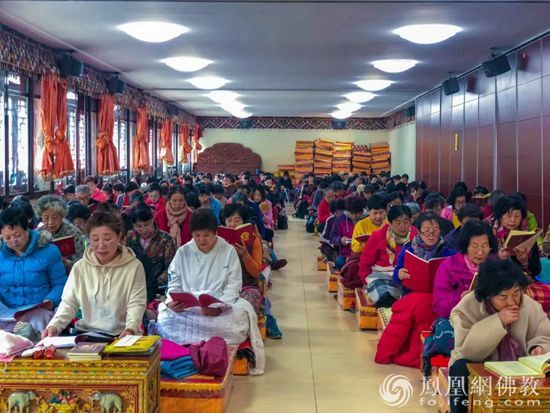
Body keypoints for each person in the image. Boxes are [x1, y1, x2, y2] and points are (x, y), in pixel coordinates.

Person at [157, 209, 265, 375]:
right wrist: (174, 300)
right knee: (164, 316)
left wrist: (219, 307)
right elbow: (174, 282)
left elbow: (234, 285)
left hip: (221, 305)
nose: (201, 240)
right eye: (197, 235)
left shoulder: (228, 250)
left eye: (206, 235)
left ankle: (193, 341)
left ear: (215, 233)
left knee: (239, 318)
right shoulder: (183, 252)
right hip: (189, 308)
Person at [448, 259, 550, 413]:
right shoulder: (466, 308)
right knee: (460, 369)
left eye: (516, 293)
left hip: (519, 367)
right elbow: (466, 351)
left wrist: (538, 347)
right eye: (503, 297)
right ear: (489, 295)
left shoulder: (528, 305)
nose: (511, 302)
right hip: (481, 366)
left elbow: (543, 334)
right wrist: (498, 321)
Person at [43, 211, 147, 338]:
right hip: (87, 334)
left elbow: (136, 303)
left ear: (119, 236)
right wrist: (54, 325)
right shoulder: (80, 267)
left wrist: (130, 329)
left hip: (123, 334)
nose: (101, 245)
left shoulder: (134, 266)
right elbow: (69, 302)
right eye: (95, 239)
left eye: (108, 238)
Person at [0, 208, 67, 333]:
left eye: (18, 235)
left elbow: (60, 284)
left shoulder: (49, 251)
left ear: (27, 230)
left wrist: (51, 300)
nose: (13, 241)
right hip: (6, 312)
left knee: (41, 321)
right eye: (7, 238)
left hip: (37, 310)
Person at [433, 221, 498, 319]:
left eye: (485, 246)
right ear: (465, 246)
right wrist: (459, 298)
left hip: (490, 317)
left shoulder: (496, 264)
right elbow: (439, 306)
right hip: (458, 319)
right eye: (475, 247)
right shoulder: (449, 266)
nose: (480, 252)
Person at [358, 205, 417, 306]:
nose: (402, 226)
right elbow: (365, 262)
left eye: (406, 222)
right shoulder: (378, 236)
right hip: (382, 276)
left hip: (406, 276)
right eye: (398, 223)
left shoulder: (416, 235)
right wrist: (366, 281)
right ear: (389, 223)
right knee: (381, 292)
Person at [393, 212, 456, 290]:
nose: (431, 234)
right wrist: (399, 274)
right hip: (413, 292)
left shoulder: (449, 250)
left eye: (435, 230)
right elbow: (395, 277)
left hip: (440, 291)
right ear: (419, 231)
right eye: (427, 230)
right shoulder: (408, 248)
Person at [127, 207, 176, 288]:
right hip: (133, 285)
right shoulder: (129, 239)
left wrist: (152, 284)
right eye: (139, 226)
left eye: (147, 224)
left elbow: (171, 268)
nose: (144, 229)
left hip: (158, 286)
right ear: (134, 226)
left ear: (152, 221)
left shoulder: (165, 239)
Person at [36, 195, 86, 273]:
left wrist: (67, 263)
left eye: (55, 217)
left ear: (62, 216)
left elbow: (81, 262)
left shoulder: (73, 233)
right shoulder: (37, 234)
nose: (50, 222)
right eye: (46, 218)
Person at [330, 196, 366, 268]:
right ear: (347, 211)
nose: (354, 216)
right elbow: (332, 237)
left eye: (357, 213)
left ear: (362, 211)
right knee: (340, 263)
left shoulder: (367, 219)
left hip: (364, 253)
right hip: (346, 253)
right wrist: (340, 239)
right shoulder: (340, 219)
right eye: (351, 213)